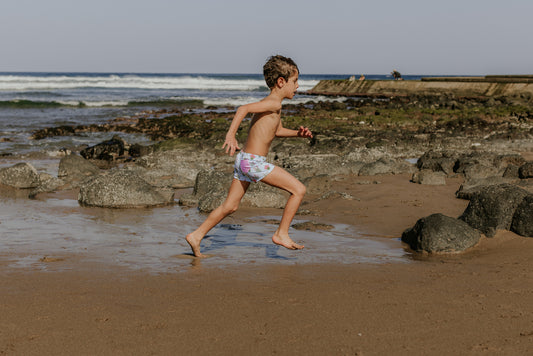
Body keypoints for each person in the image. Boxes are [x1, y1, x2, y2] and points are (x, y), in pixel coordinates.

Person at [185, 55, 313, 257]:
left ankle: (197, 235)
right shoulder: (274, 104)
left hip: (244, 160)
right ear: (281, 82)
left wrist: (298, 133)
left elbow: (277, 130)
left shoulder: (271, 104)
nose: (297, 86)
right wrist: (230, 134)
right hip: (252, 163)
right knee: (298, 190)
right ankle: (281, 233)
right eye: (295, 81)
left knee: (230, 206)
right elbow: (242, 109)